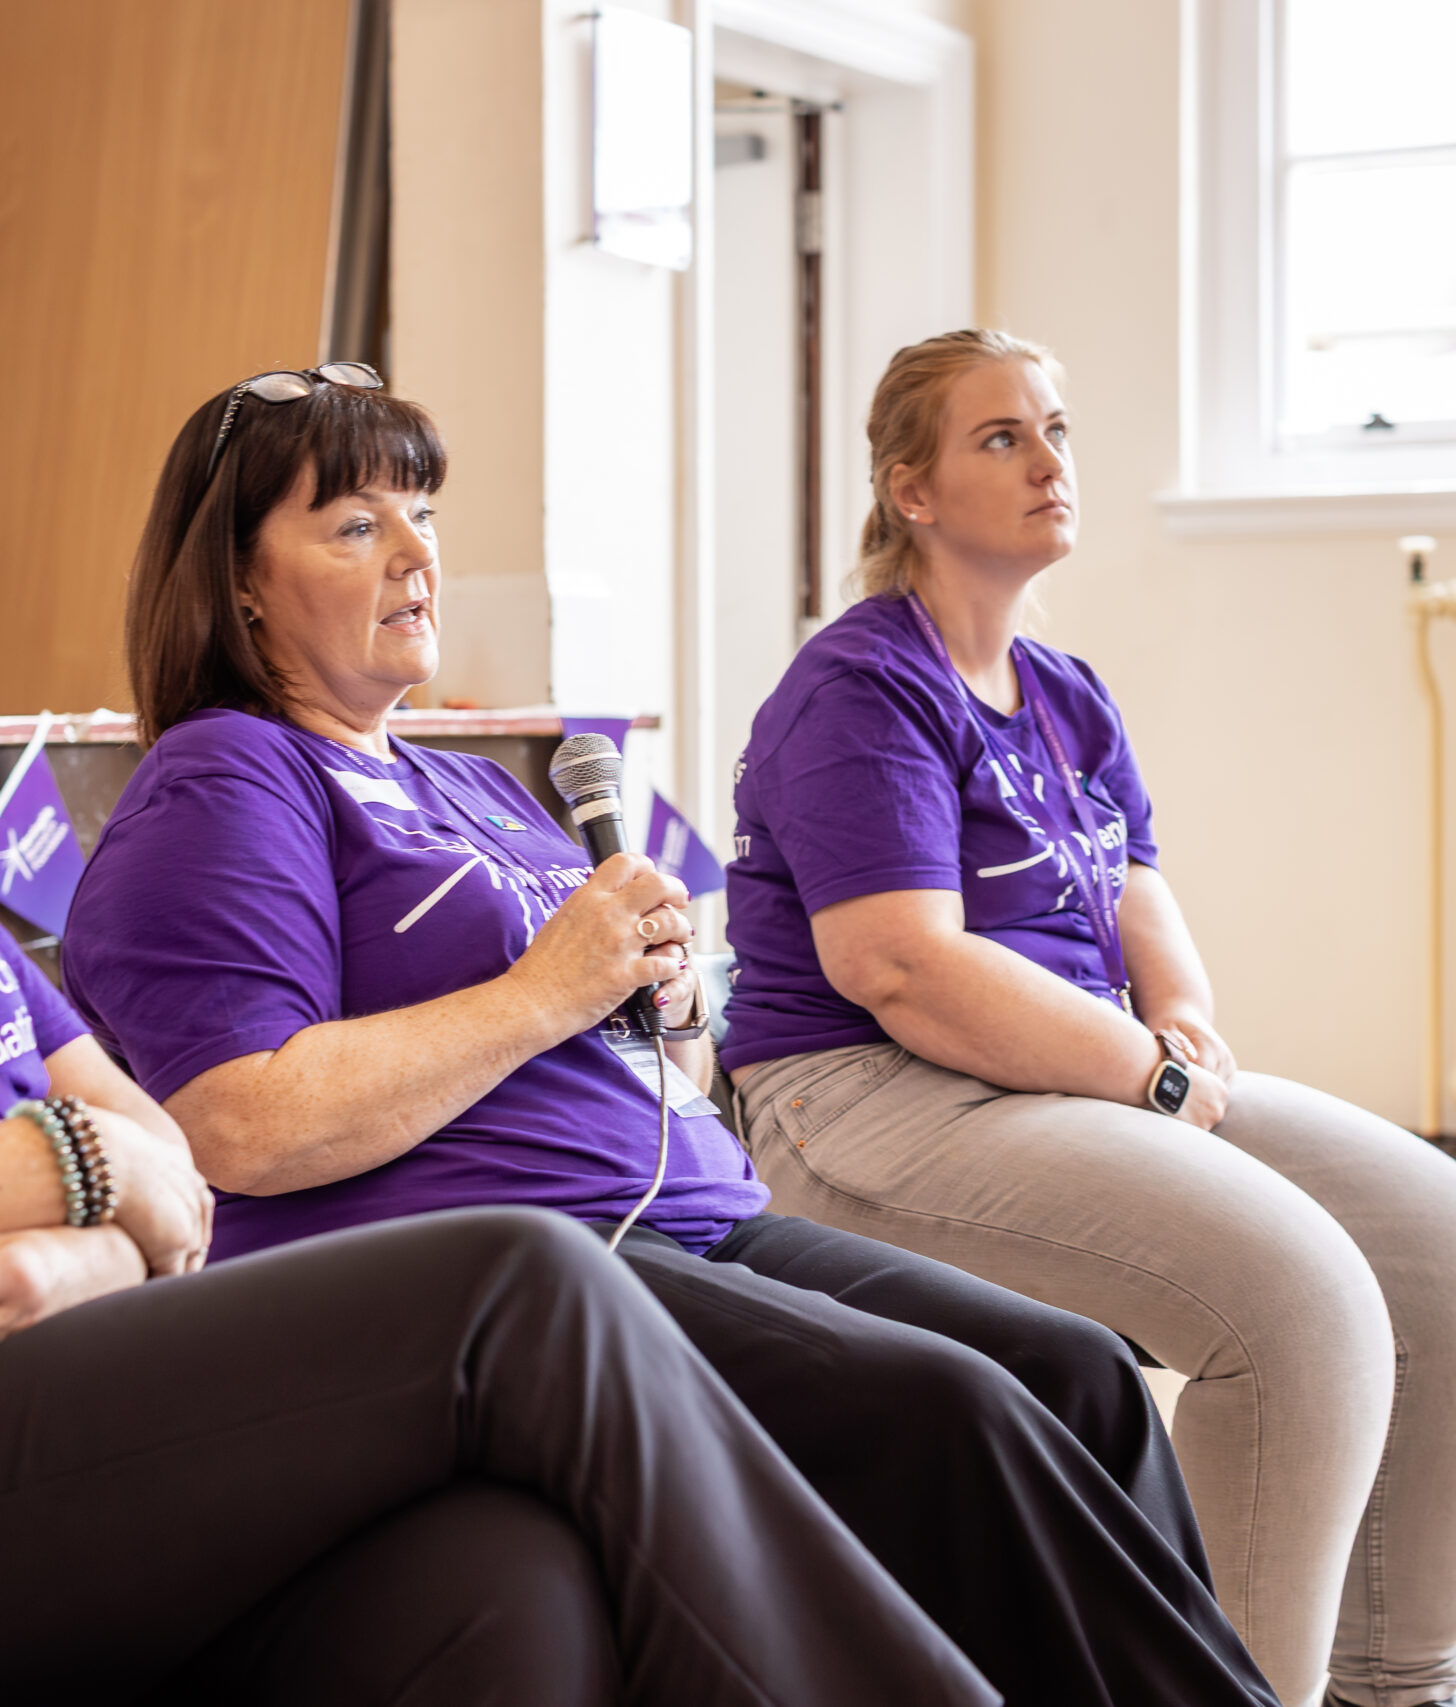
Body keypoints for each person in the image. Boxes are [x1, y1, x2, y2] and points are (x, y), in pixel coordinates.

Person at [0, 213, 1008, 1707]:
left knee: (502, 1585)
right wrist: (62, 1178)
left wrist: (71, 1244)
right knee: (521, 1284)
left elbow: (157, 1165)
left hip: (20, 1383)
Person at [64, 362, 1281, 1707]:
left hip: (698, 1214)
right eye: (355, 525)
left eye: (420, 514)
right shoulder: (229, 779)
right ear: (239, 582)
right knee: (956, 1417)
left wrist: (667, 1002)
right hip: (508, 1274)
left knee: (1079, 1371)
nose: (415, 556)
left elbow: (646, 1061)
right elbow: (244, 1122)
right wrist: (549, 990)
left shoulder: (473, 784)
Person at [716, 328, 1456, 1707]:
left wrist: (1187, 1026)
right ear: (911, 492)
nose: (1050, 462)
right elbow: (901, 969)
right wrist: (1153, 1082)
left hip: (1073, 1072)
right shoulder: (859, 688)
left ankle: (1397, 1689)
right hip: (864, 1096)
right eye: (1002, 439)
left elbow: (1134, 884)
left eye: (1057, 429)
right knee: (1297, 1304)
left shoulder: (1066, 691)